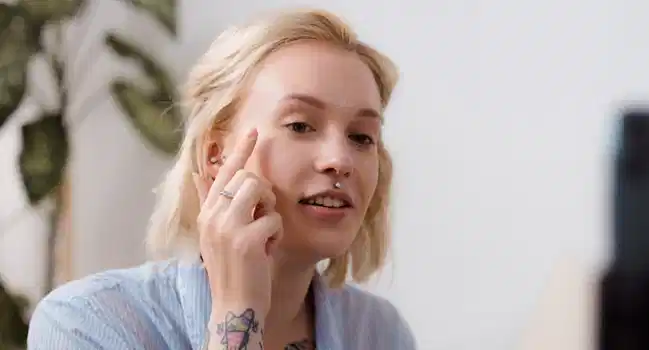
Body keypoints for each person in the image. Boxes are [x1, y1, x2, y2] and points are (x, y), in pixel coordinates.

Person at [27, 8, 415, 350]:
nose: (340, 160)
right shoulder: (86, 323)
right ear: (217, 156)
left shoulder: (380, 334)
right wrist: (237, 311)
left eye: (362, 137)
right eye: (300, 125)